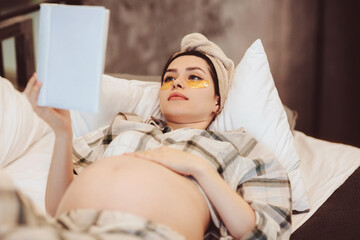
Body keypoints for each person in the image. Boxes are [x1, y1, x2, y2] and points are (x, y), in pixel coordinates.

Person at [1, 33, 291, 240]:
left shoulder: (240, 149)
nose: (177, 81)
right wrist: (62, 132)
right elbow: (57, 203)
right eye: (169, 78)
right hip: (66, 228)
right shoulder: (124, 125)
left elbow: (260, 232)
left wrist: (198, 169)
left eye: (194, 77)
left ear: (218, 101)